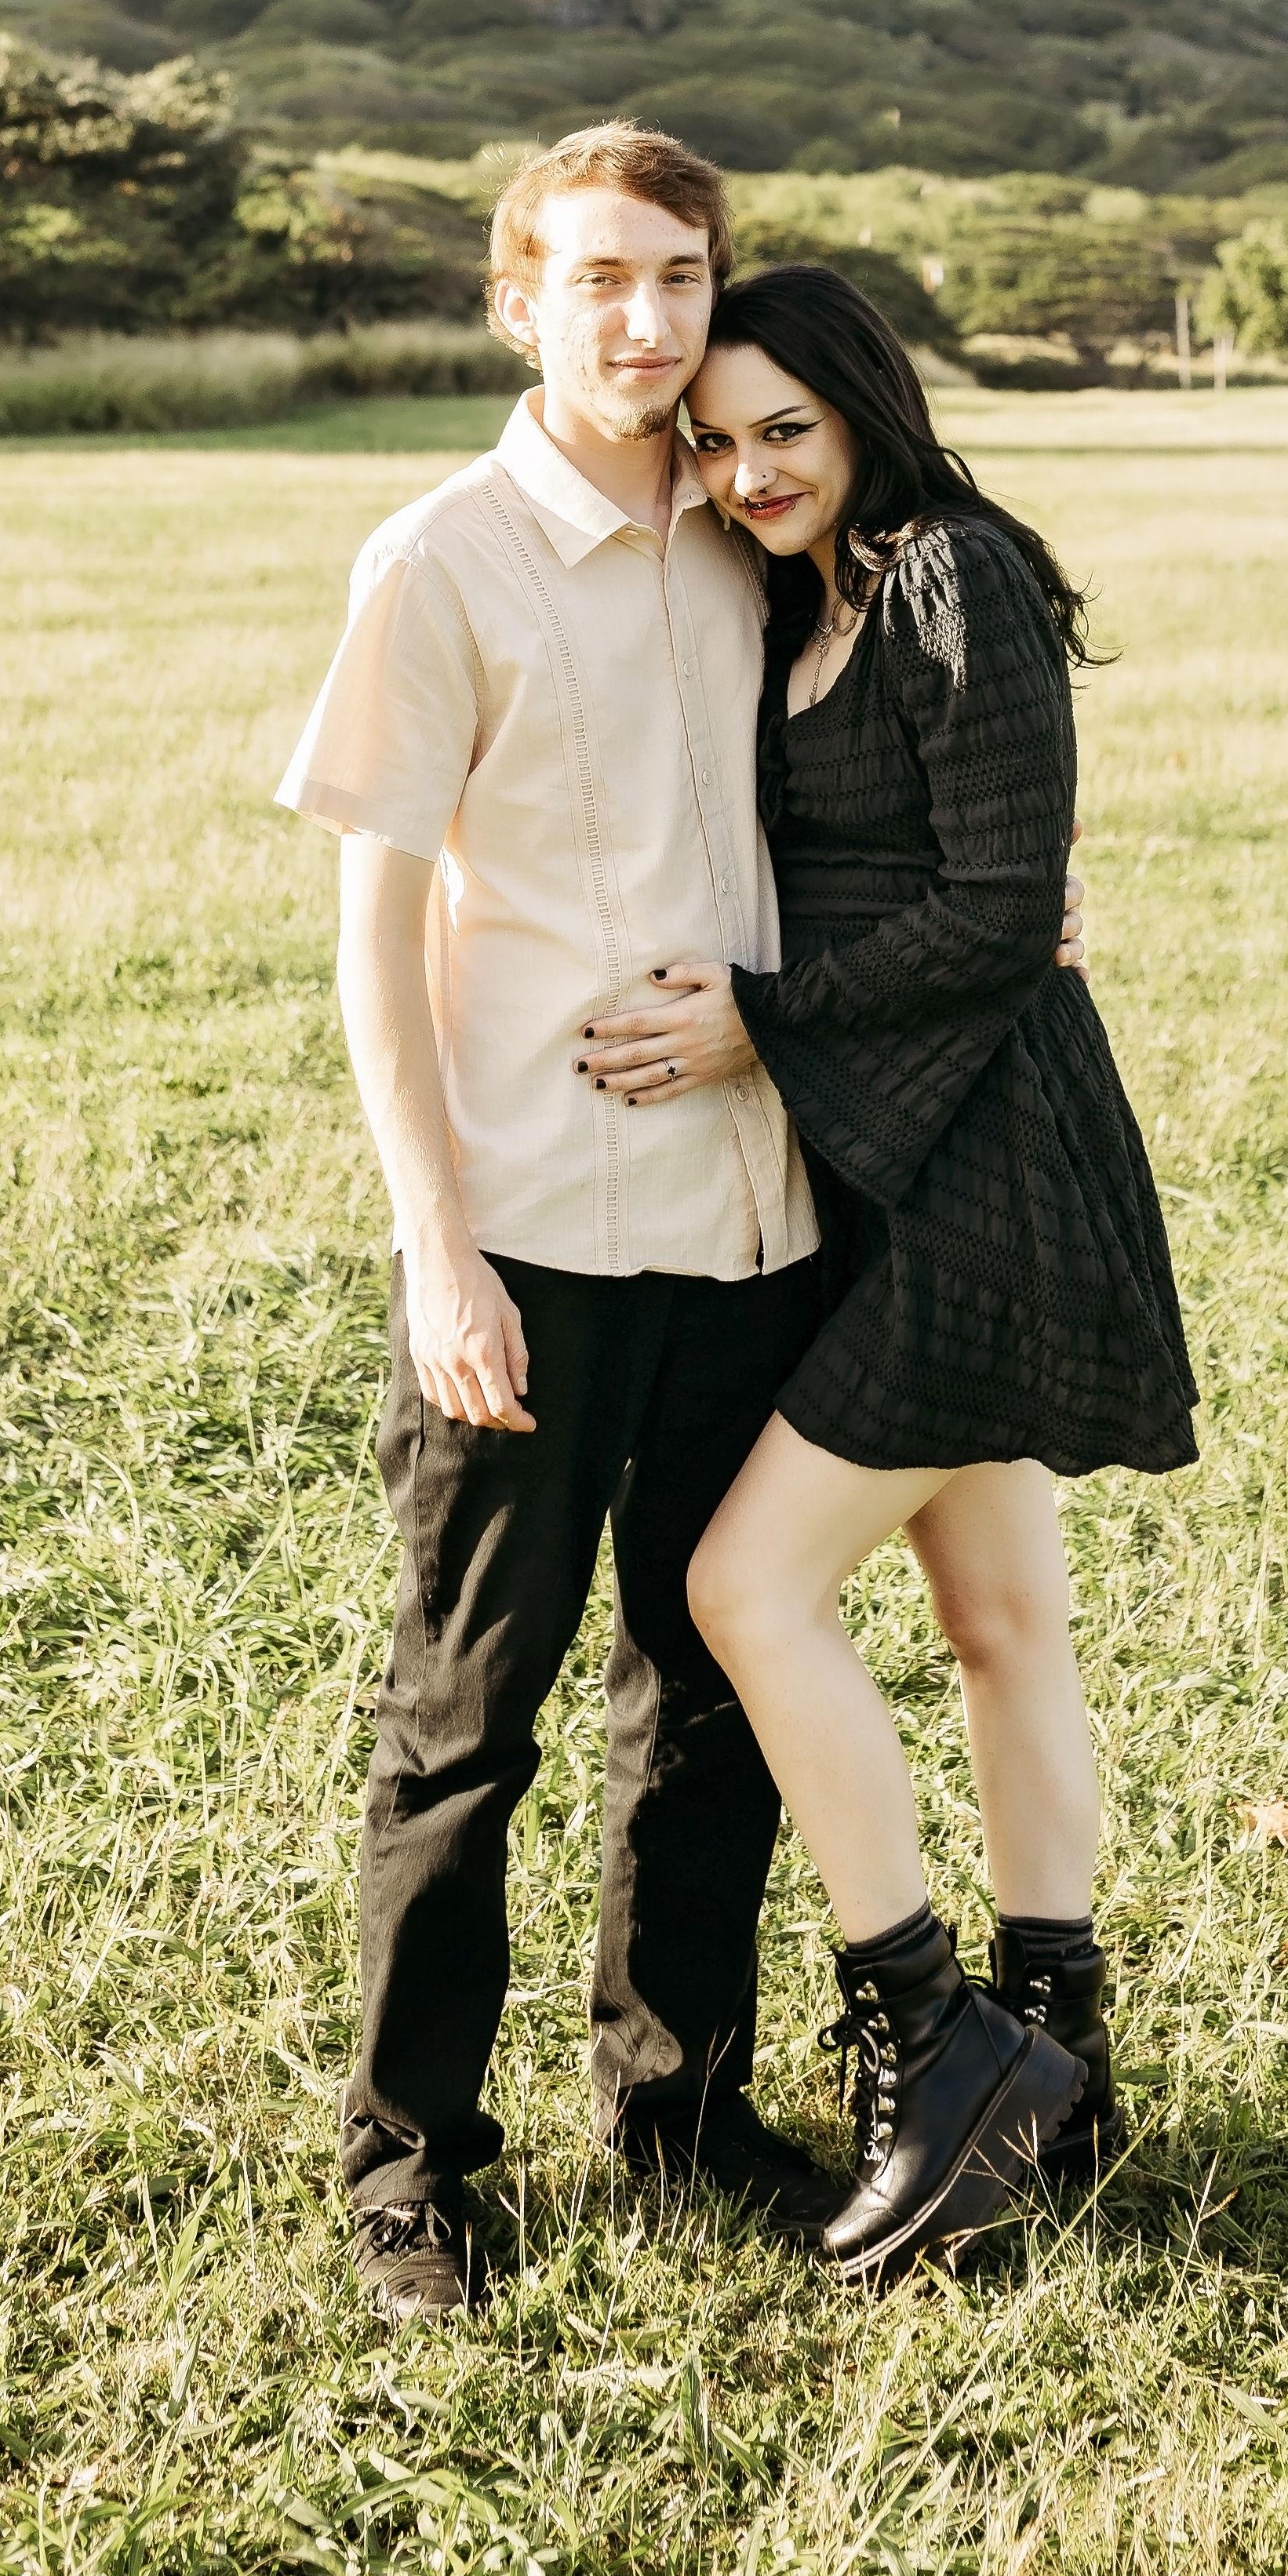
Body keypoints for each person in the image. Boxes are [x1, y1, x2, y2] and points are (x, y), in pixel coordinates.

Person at [271, 124, 855, 2324]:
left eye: (680, 276)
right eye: (600, 278)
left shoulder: (757, 529)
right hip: (525, 1230)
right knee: (468, 1718)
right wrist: (437, 1249)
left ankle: (682, 2108)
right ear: (519, 302)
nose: (647, 319)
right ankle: (408, 2164)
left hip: (750, 1215)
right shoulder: (439, 559)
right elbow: (372, 935)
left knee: (708, 1687)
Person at [581, 261, 1200, 2290]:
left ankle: (935, 2043)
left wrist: (756, 1021)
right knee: (1000, 1619)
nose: (750, 469)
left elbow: (1006, 908)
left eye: (788, 429)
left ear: (866, 411)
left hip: (988, 1170)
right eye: (718, 439)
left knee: (745, 1587)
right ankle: (1062, 2060)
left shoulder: (952, 575)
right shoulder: (802, 593)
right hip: (892, 1155)